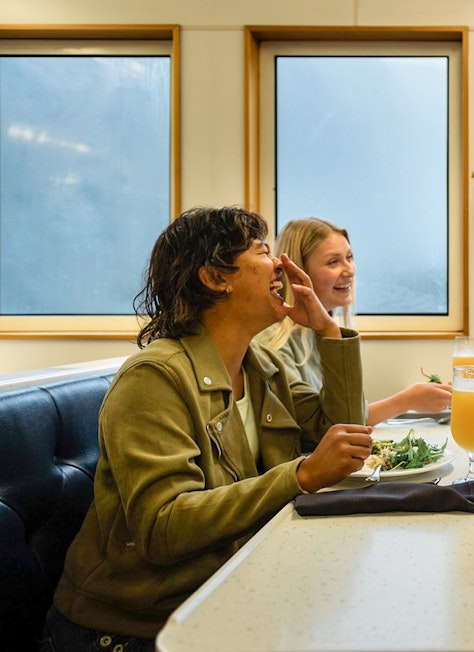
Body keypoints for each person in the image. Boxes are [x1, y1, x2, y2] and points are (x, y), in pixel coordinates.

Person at [43, 206, 374, 651]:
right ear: (217, 278)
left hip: (227, 592)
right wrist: (299, 476)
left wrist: (329, 332)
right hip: (132, 630)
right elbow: (164, 526)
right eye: (263, 251)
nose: (282, 264)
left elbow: (345, 434)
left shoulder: (264, 368)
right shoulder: (154, 378)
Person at [255, 218, 452, 425]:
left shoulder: (320, 332)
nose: (350, 270)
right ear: (298, 272)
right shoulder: (273, 342)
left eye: (350, 257)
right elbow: (329, 424)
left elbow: (345, 413)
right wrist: (408, 400)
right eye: (333, 262)